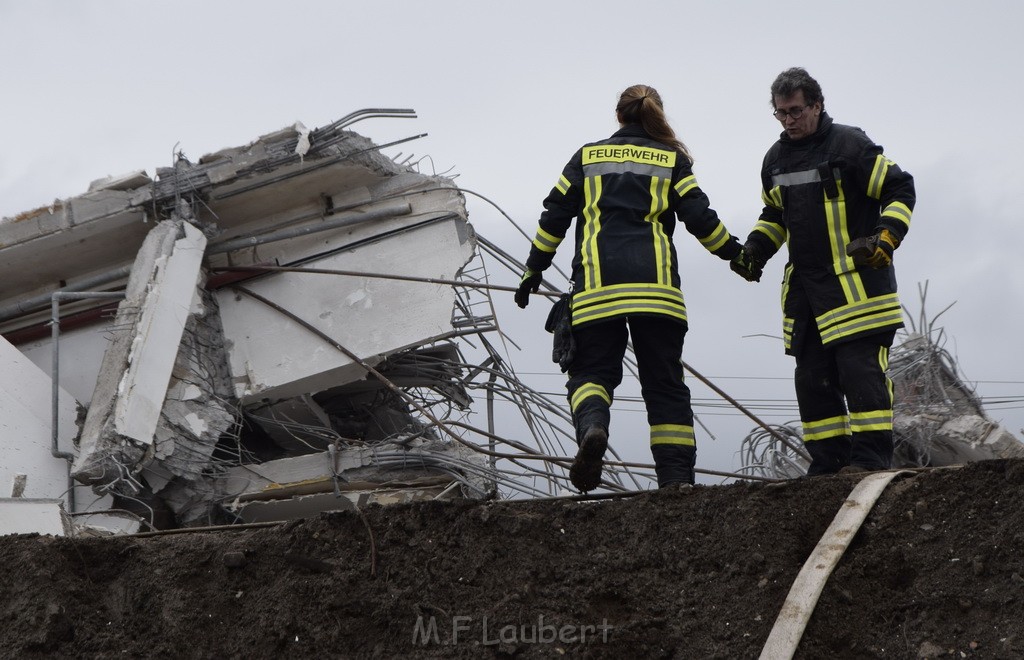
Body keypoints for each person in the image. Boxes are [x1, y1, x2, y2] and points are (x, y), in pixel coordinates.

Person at [515, 84, 753, 492]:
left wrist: (532, 271)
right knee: (665, 386)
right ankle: (675, 481)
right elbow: (700, 217)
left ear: (618, 115)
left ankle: (593, 427)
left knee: (590, 373)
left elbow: (553, 216)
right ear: (655, 115)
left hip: (596, 289)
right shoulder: (671, 158)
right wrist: (737, 256)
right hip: (657, 293)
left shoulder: (587, 157)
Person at [731, 67, 916, 476]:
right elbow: (775, 214)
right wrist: (755, 250)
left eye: (796, 111)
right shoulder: (775, 160)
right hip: (807, 294)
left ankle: (869, 461)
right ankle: (828, 465)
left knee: (859, 372)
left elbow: (899, 188)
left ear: (817, 105)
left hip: (859, 288)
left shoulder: (850, 145)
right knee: (812, 379)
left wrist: (887, 237)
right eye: (781, 114)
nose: (789, 120)